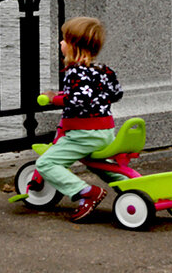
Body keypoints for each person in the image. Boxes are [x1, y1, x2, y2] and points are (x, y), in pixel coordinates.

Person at [27, 16, 124, 222]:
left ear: (73, 46)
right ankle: (132, 189)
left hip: (84, 134)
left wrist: (56, 98)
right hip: (105, 132)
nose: (60, 43)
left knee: (46, 163)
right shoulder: (104, 69)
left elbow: (79, 99)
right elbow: (116, 94)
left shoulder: (75, 72)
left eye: (64, 39)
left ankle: (85, 191)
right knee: (99, 165)